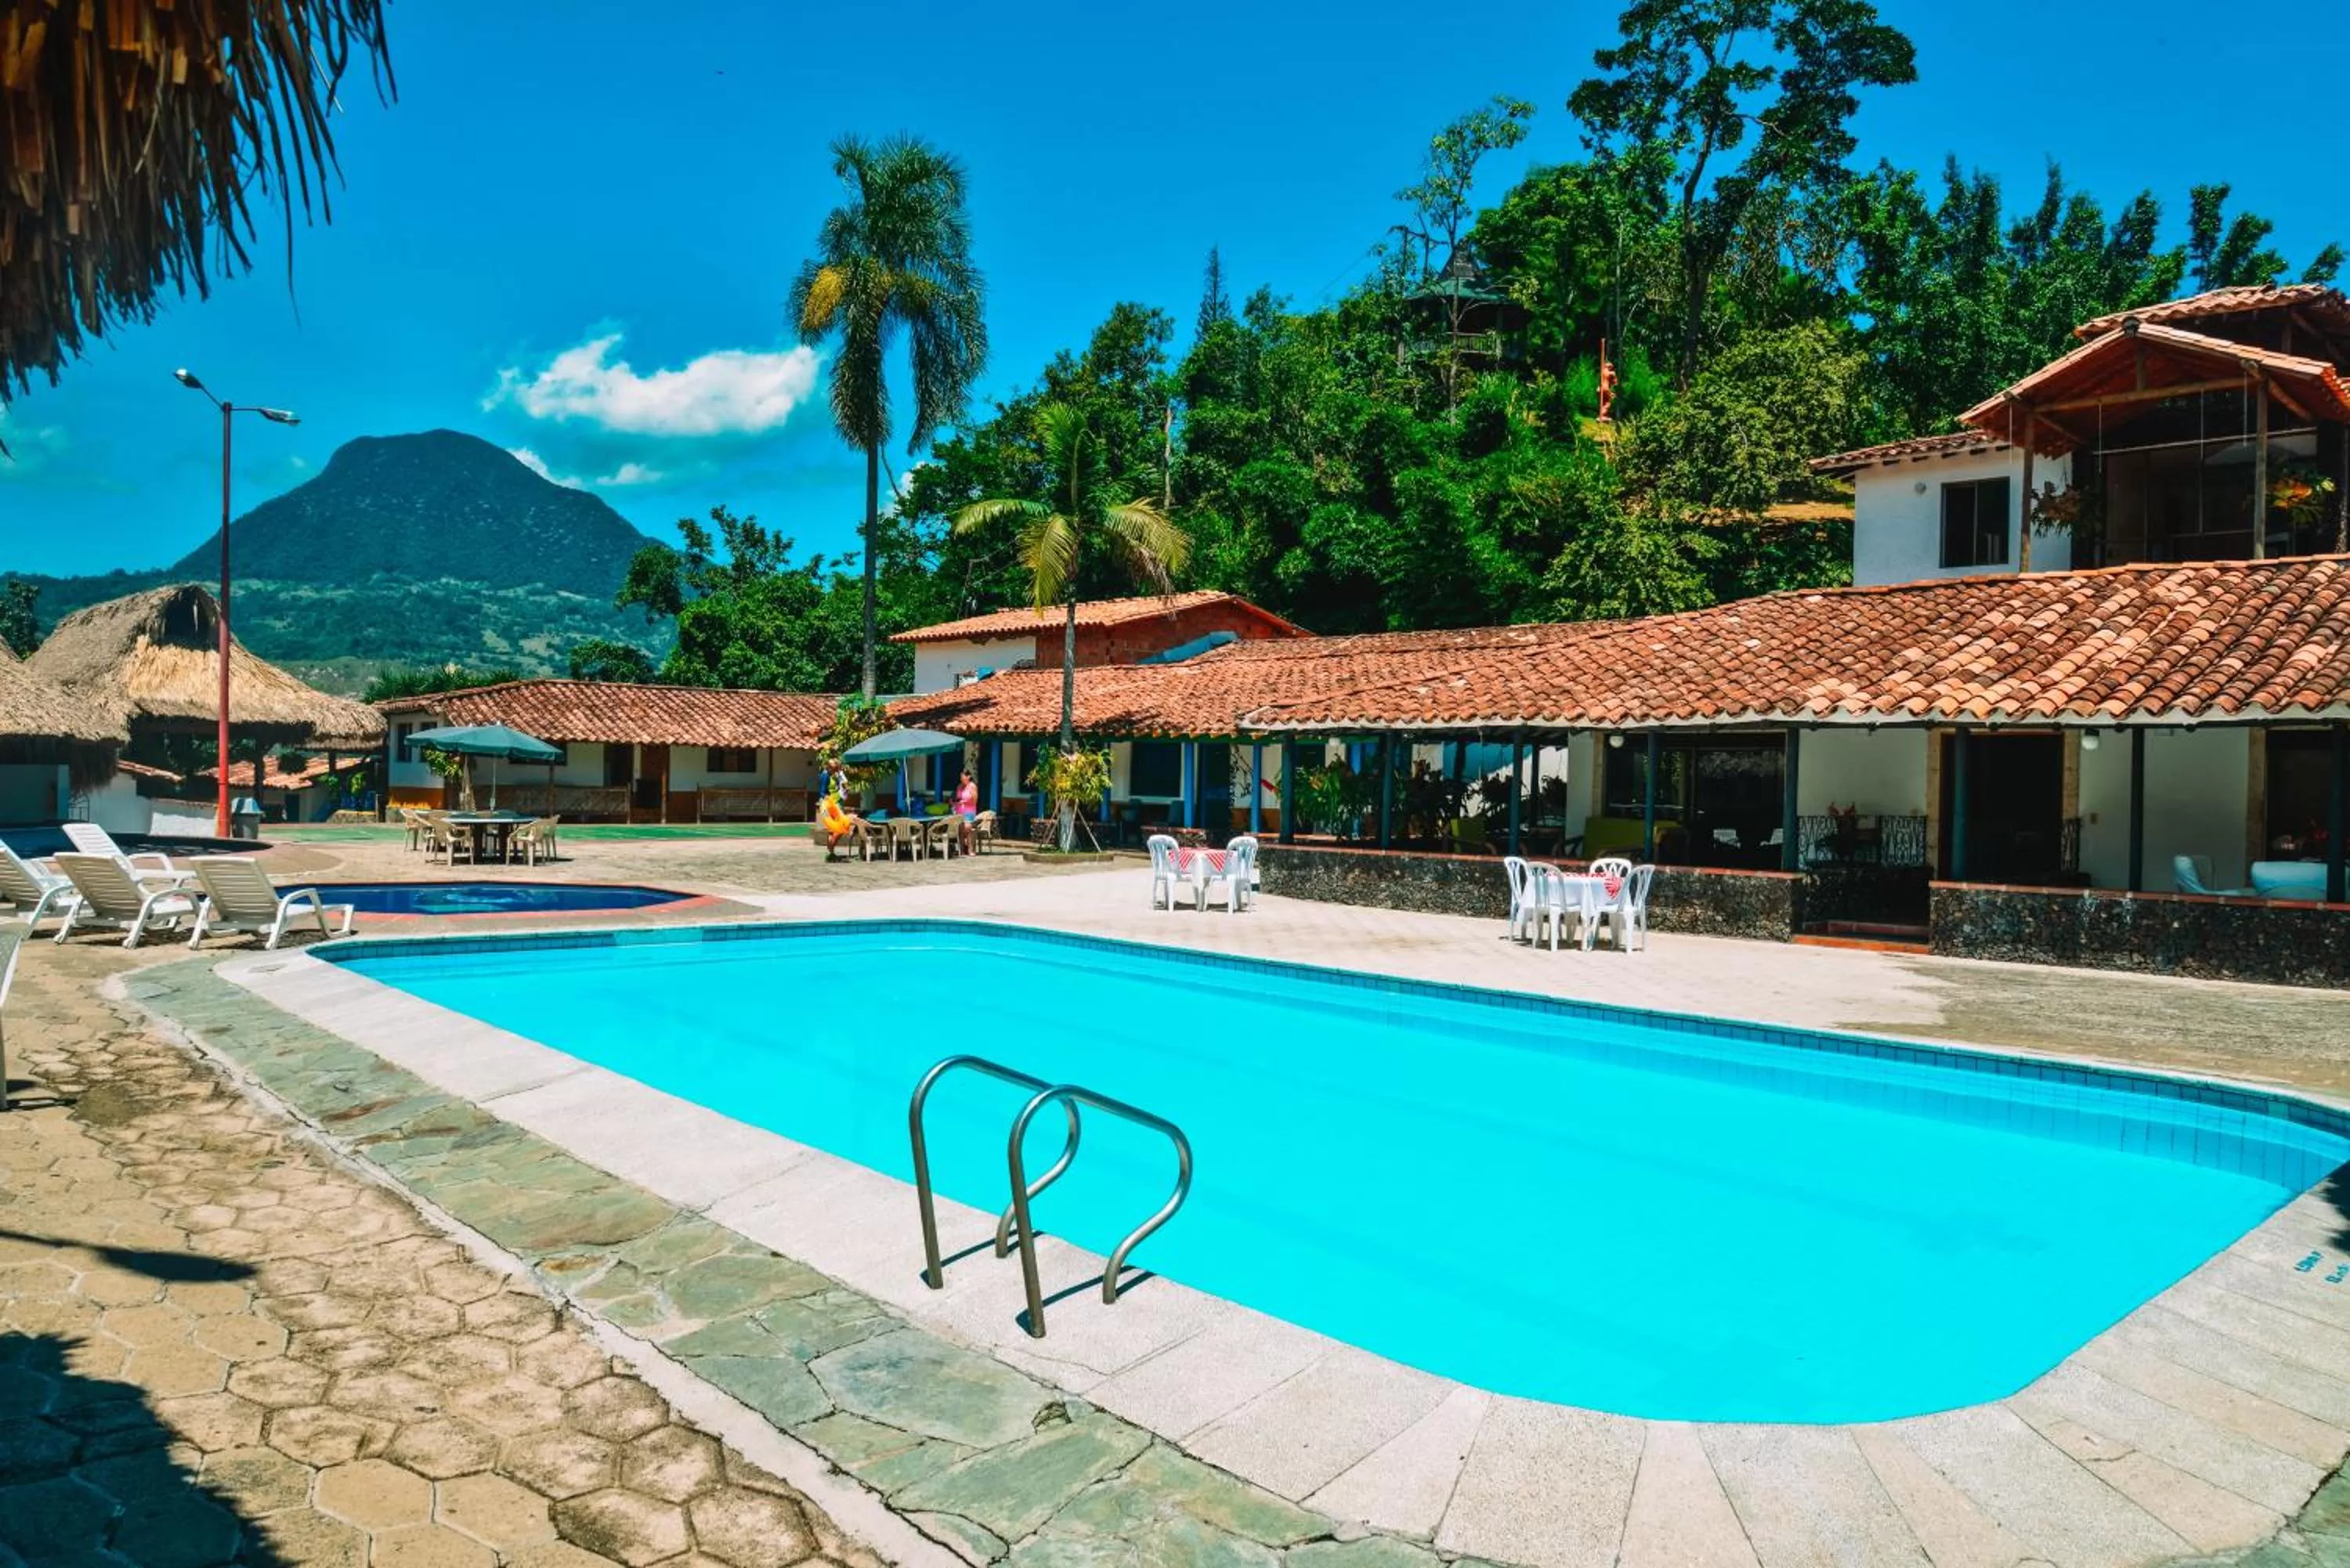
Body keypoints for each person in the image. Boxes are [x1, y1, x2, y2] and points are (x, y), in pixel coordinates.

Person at [956, 768, 981, 852]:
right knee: (958, 828)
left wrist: (965, 802)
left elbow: (975, 801)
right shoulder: (959, 786)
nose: (961, 778)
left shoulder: (972, 786)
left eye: (963, 776)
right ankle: (962, 849)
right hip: (959, 812)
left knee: (967, 828)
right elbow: (957, 798)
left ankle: (970, 848)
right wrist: (954, 801)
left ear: (968, 777)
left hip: (969, 812)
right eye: (961, 777)